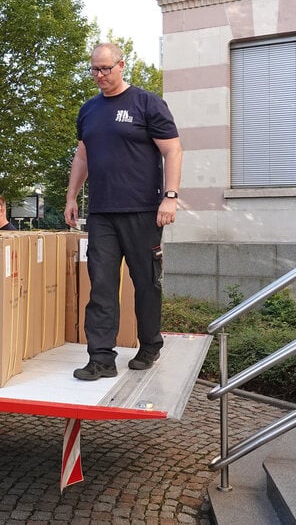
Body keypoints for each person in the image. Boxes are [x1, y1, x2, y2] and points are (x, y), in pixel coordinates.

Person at [64, 43, 183, 381]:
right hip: (102, 212)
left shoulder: (147, 103)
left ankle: (149, 345)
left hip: (144, 211)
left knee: (146, 283)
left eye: (106, 69)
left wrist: (170, 197)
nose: (100, 76)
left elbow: (172, 150)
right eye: (95, 70)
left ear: (121, 65)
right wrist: (72, 197)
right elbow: (83, 156)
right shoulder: (88, 110)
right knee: (100, 285)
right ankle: (100, 358)